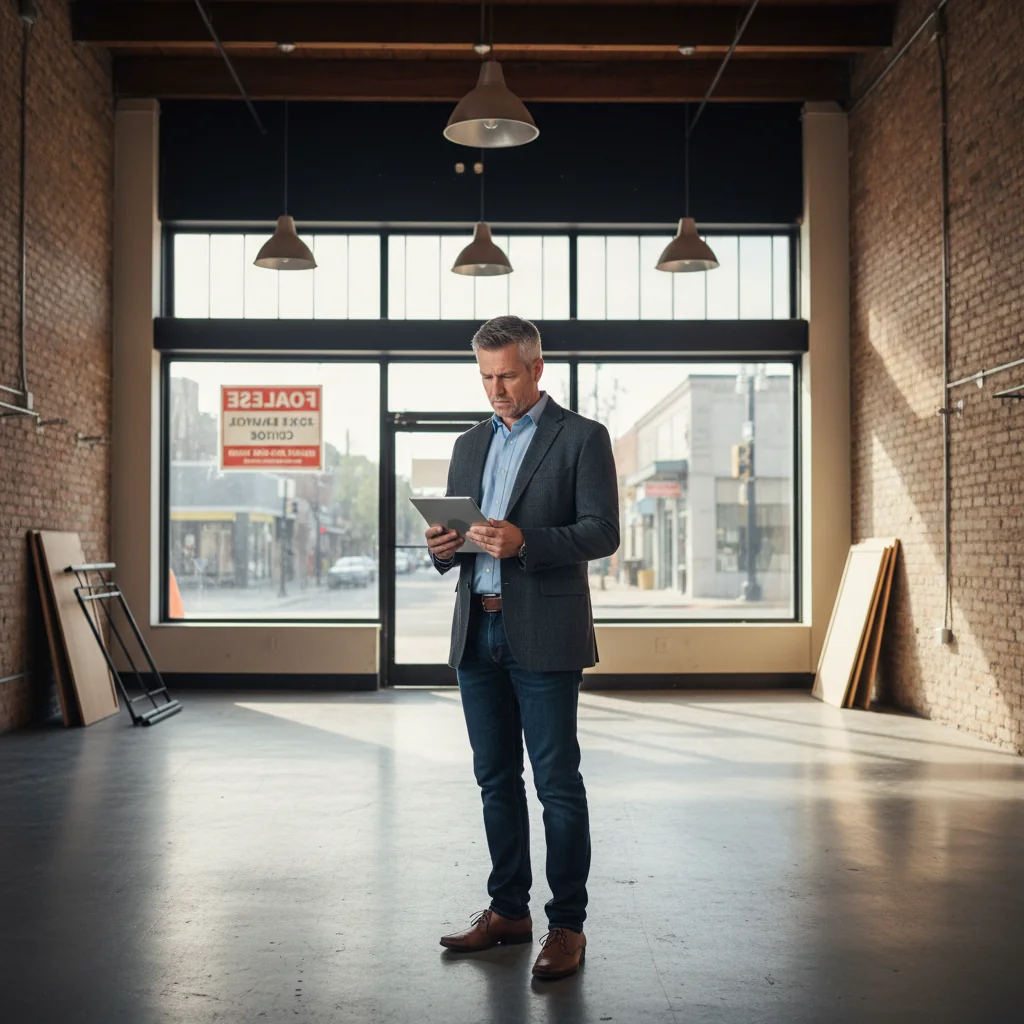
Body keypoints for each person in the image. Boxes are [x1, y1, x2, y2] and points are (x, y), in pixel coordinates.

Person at [425, 315, 619, 980]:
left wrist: (528, 542)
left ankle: (567, 925)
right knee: (494, 780)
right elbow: (457, 535)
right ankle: (508, 910)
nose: (496, 389)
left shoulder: (582, 438)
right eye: (486, 376)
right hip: (476, 629)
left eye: (507, 374)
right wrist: (442, 548)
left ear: (537, 368)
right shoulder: (468, 443)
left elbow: (602, 530)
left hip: (543, 630)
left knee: (557, 784)